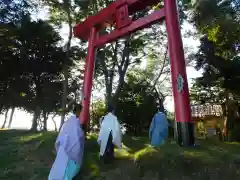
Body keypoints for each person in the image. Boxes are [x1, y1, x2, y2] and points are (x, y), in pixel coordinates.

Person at [48, 104, 84, 180]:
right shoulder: (75, 122)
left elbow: (63, 133)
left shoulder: (68, 121)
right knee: (67, 165)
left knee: (60, 165)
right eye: (81, 111)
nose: (81, 113)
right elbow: (77, 135)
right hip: (70, 148)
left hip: (63, 147)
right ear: (78, 111)